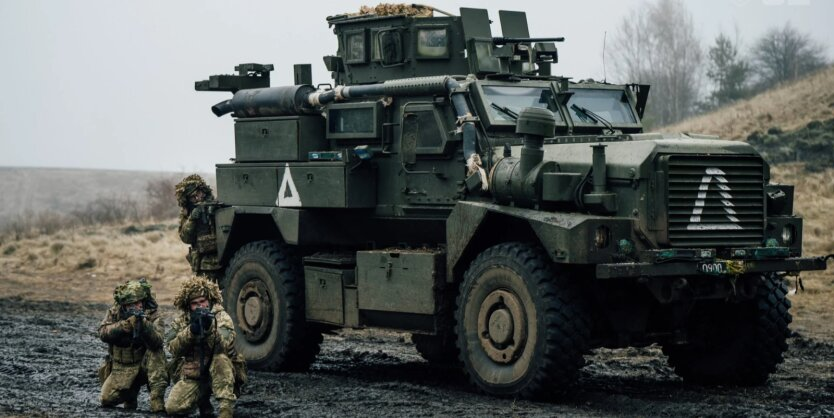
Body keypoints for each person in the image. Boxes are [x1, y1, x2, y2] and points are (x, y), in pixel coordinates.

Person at [165, 276, 245, 418]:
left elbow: (225, 344)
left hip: (220, 370)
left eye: (203, 301)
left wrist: (209, 329)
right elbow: (171, 347)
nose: (200, 306)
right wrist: (191, 331)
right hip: (195, 372)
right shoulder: (182, 320)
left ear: (209, 299)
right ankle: (203, 402)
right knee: (172, 408)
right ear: (188, 306)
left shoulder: (221, 317)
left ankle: (225, 410)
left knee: (220, 359)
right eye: (195, 303)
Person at [98, 278, 168, 413]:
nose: (137, 307)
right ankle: (130, 394)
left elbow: (158, 341)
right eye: (132, 304)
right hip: (123, 367)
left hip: (144, 365)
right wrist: (123, 326)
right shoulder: (115, 312)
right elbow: (102, 333)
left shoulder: (152, 313)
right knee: (106, 400)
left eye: (139, 303)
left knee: (157, 352)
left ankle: (157, 401)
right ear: (124, 305)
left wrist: (144, 325)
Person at [175, 174, 222, 282]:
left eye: (198, 194)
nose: (197, 198)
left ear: (204, 191)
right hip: (203, 265)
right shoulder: (188, 214)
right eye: (192, 197)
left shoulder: (215, 205)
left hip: (221, 260)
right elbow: (185, 238)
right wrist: (192, 220)